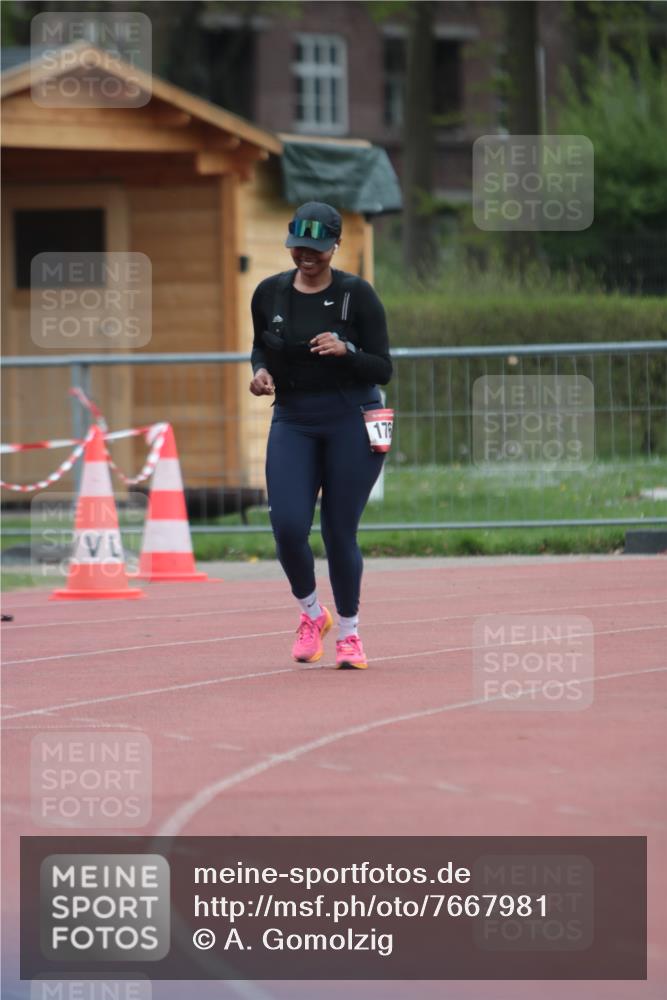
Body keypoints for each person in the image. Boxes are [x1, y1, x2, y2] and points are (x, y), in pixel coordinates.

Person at [249, 201, 392, 669]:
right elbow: (260, 348)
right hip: (293, 417)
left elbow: (382, 368)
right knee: (288, 526)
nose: (306, 257)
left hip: (352, 416)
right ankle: (313, 613)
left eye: (316, 249)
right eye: (298, 248)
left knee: (337, 530)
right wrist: (261, 373)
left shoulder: (357, 295)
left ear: (335, 245)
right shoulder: (269, 294)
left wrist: (346, 350)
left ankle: (349, 634)